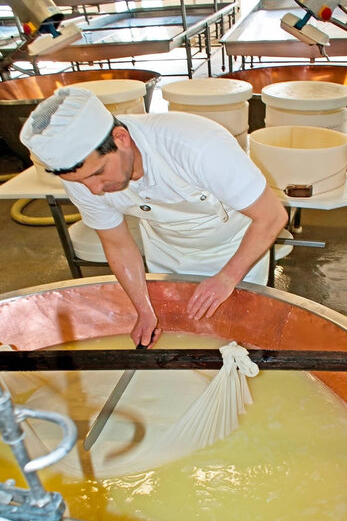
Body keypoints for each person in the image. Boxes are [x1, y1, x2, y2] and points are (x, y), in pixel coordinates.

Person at [20, 87, 288, 347]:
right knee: (184, 337)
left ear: (121, 138)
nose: (94, 189)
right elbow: (117, 243)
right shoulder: (81, 176)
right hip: (167, 249)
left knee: (239, 335)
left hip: (234, 247)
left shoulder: (196, 145)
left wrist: (227, 278)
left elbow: (272, 217)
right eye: (81, 182)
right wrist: (143, 309)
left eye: (98, 173)